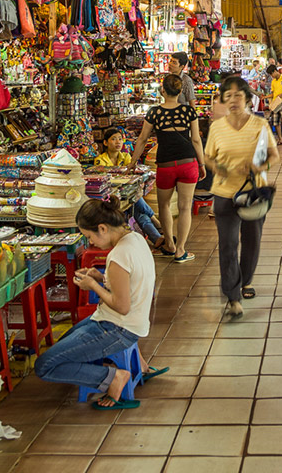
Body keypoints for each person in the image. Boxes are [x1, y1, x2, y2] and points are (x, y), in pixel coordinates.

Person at [34, 197, 168, 409]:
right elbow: (130, 285)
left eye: (89, 236)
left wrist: (92, 286)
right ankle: (136, 366)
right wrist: (99, 277)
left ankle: (112, 377)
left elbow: (122, 306)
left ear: (103, 228)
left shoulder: (117, 256)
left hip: (117, 328)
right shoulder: (135, 239)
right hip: (124, 322)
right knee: (64, 344)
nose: (91, 243)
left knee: (44, 365)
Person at [205, 76, 280, 319]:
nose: (233, 100)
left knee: (252, 240)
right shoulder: (217, 127)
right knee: (227, 243)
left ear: (248, 99)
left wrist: (259, 166)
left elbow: (273, 154)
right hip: (225, 193)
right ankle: (233, 296)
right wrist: (218, 168)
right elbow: (208, 157)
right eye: (228, 96)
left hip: (253, 193)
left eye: (238, 95)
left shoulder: (259, 126)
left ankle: (246, 280)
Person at [128, 74, 206, 263]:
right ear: (180, 92)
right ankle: (180, 251)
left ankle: (170, 245)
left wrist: (132, 163)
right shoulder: (189, 112)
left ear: (163, 90)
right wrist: (202, 163)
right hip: (188, 163)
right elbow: (196, 139)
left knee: (163, 206)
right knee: (185, 207)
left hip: (165, 165)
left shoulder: (154, 113)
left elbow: (142, 139)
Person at [96, 128, 166, 252]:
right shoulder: (100, 160)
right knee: (136, 200)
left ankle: (157, 239)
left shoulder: (126, 156)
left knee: (137, 207)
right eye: (113, 139)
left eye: (120, 139)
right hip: (111, 197)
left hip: (125, 194)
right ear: (105, 143)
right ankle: (155, 222)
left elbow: (132, 175)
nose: (118, 142)